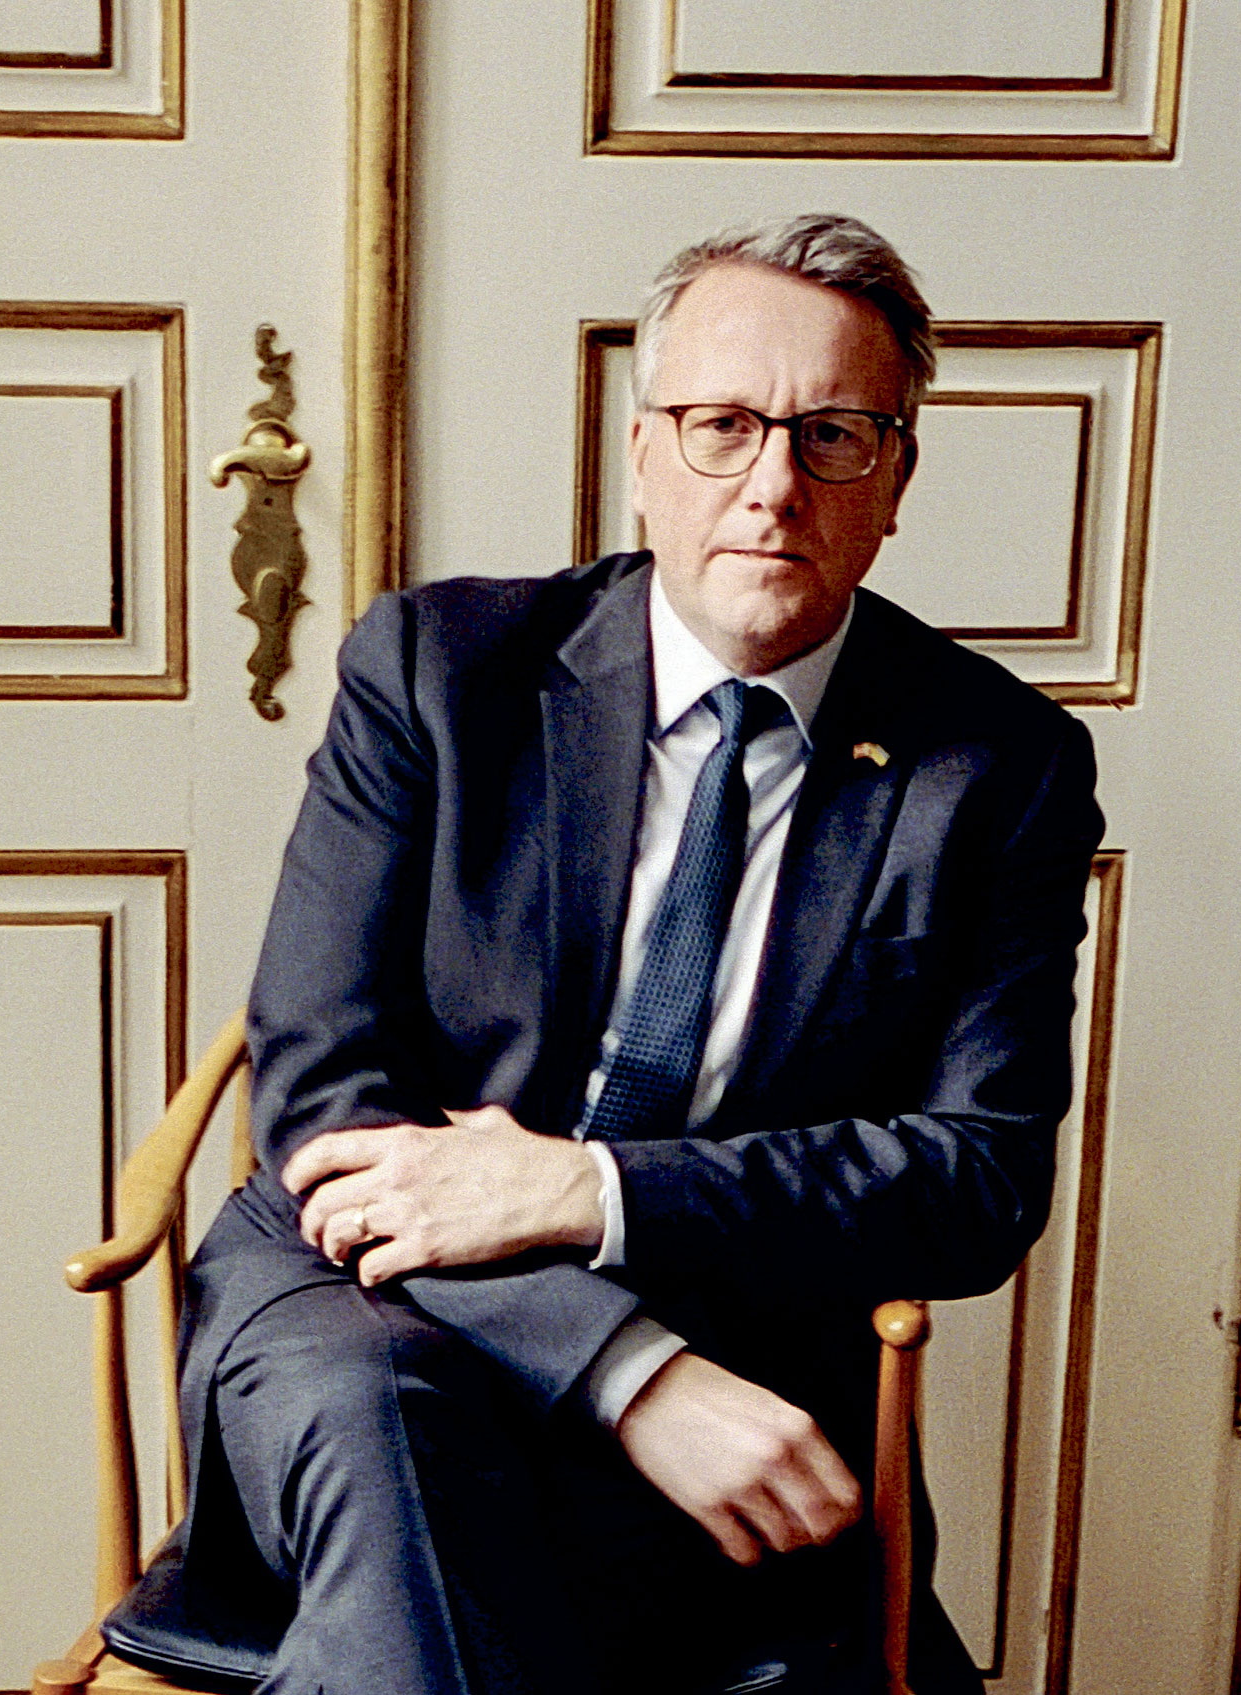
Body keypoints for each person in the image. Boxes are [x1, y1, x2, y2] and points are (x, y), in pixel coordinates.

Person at [171, 213, 1102, 1695]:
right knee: (386, 1439)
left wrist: (589, 1191)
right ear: (644, 454)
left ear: (897, 480)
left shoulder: (998, 765)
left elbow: (979, 1178)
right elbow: (330, 1097)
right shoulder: (440, 670)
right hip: (373, 1301)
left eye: (834, 435)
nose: (773, 486)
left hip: (746, 1350)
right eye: (724, 426)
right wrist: (627, 1373)